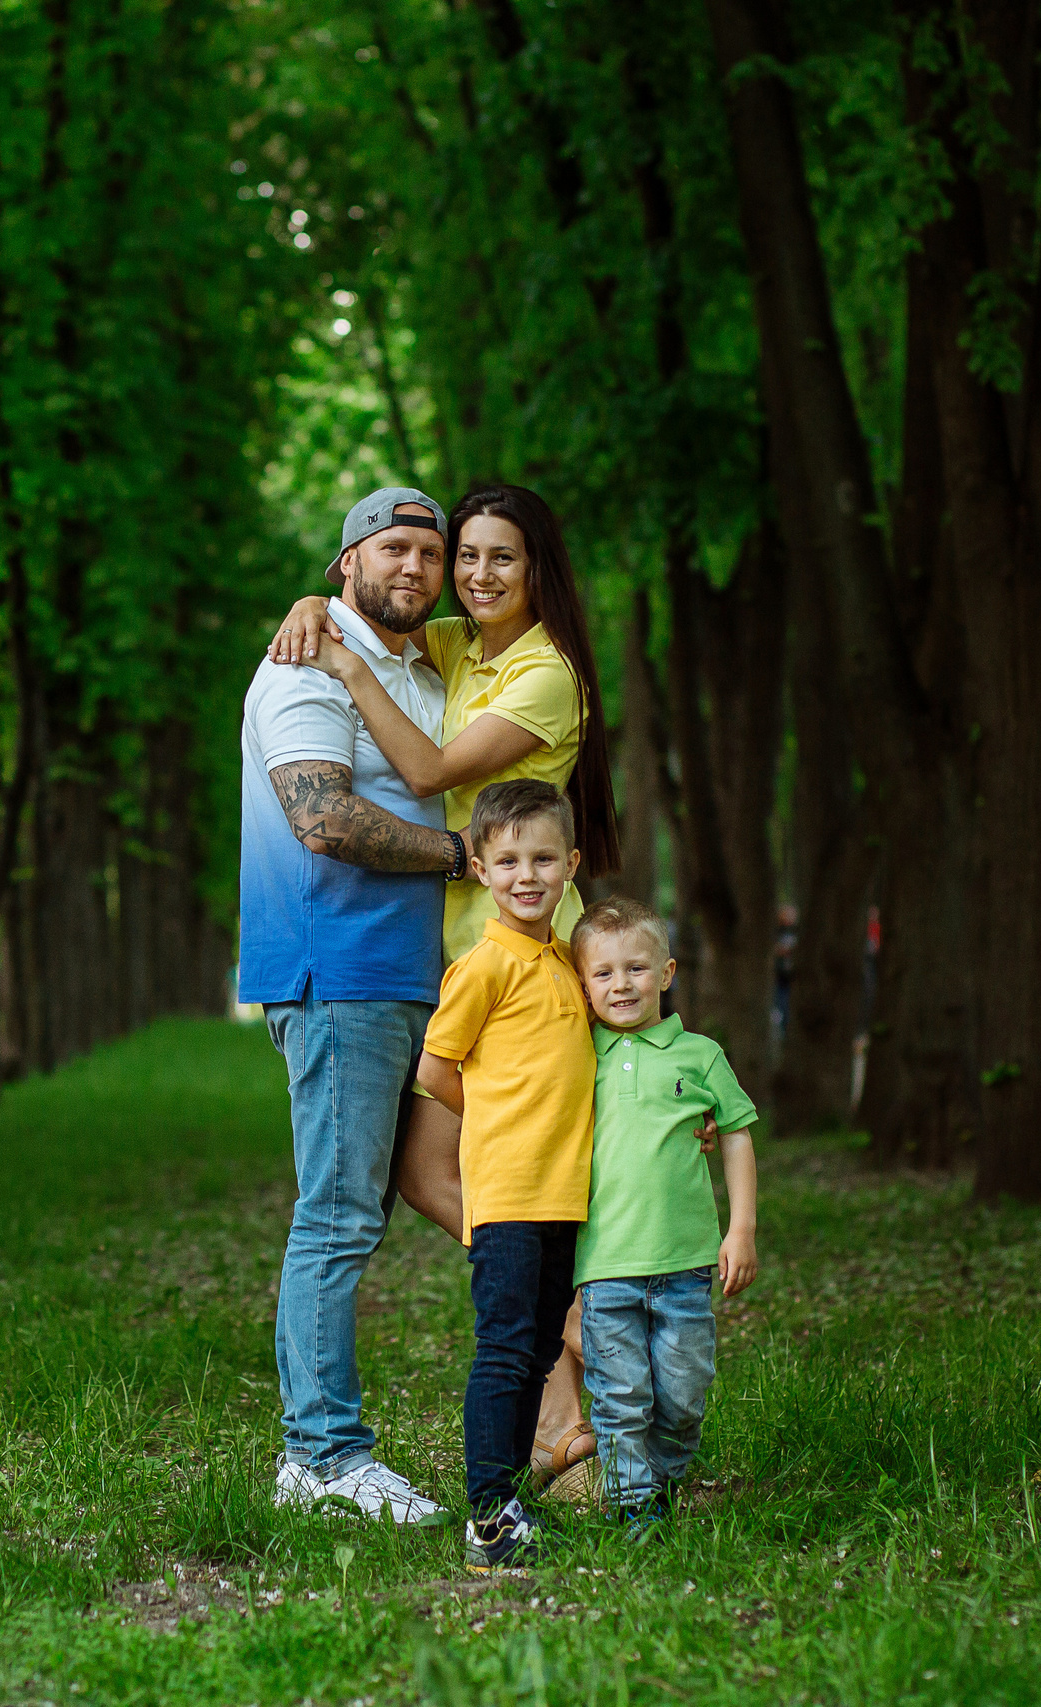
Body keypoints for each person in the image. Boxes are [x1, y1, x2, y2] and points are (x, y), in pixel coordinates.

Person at [267, 483, 622, 1491]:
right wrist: (316, 603)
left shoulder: (545, 673)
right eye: (465, 555)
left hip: (526, 958)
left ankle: (579, 1331)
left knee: (491, 1179)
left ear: (538, 569)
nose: (474, 575)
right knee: (437, 1178)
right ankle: (562, 1397)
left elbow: (426, 772)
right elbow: (379, 611)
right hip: (469, 959)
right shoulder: (465, 644)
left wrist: (341, 659)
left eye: (500, 557)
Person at [241, 485, 469, 1524]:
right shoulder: (302, 664)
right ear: (347, 565)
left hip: (415, 973)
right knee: (336, 1215)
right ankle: (321, 1459)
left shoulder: (420, 666)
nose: (413, 567)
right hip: (337, 967)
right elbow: (323, 819)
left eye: (430, 552)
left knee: (367, 1209)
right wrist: (462, 854)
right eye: (392, 550)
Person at [414, 780, 597, 1572]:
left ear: (571, 865)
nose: (528, 875)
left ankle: (514, 1495)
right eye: (510, 860)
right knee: (505, 1346)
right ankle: (488, 1513)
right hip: (510, 1192)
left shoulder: (567, 962)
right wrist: (496, 1121)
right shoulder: (484, 965)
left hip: (564, 1192)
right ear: (482, 870)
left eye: (544, 859)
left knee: (539, 1350)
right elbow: (435, 1069)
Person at [569, 896, 759, 1532]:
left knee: (682, 1395)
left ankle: (665, 1481)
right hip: (605, 1265)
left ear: (668, 972)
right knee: (620, 1396)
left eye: (636, 968)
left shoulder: (699, 1055)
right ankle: (635, 1507)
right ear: (583, 984)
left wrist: (741, 1229)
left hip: (686, 1263)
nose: (621, 984)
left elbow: (735, 1134)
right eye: (603, 972)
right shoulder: (577, 1056)